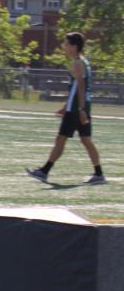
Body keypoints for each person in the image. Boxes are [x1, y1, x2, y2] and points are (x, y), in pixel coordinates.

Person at [27, 32, 105, 186]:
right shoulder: (83, 62)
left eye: (67, 44)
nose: (64, 47)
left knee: (61, 139)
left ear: (74, 46)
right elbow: (77, 88)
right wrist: (67, 107)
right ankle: (99, 174)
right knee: (86, 140)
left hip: (76, 109)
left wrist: (80, 109)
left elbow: (81, 87)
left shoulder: (77, 63)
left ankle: (44, 171)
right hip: (81, 106)